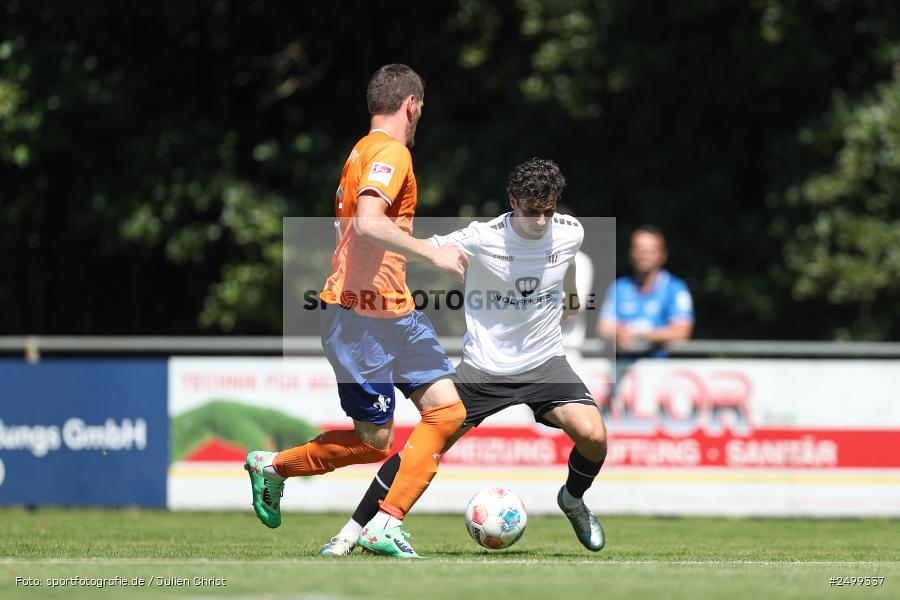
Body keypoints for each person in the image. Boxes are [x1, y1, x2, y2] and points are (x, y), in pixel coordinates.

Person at [320, 158, 608, 557]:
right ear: (513, 201)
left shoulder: (569, 231)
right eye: (531, 212)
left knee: (594, 436)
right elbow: (425, 249)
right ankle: (351, 532)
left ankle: (573, 500)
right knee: (421, 447)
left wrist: (572, 301)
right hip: (483, 369)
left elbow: (570, 262)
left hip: (545, 363)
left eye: (548, 211)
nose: (540, 222)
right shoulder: (482, 236)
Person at [245, 64, 469, 559]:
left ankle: (385, 523)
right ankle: (274, 466)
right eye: (421, 109)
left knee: (448, 412)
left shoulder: (360, 153)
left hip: (395, 311)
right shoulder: (391, 152)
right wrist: (431, 252)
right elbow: (367, 223)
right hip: (358, 315)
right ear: (411, 105)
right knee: (374, 442)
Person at [596, 226, 694, 387]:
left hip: (663, 379)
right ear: (631, 253)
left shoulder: (676, 288)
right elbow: (603, 326)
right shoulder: (619, 287)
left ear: (663, 255)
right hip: (623, 380)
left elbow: (682, 331)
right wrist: (618, 332)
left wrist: (640, 335)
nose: (643, 255)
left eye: (649, 250)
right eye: (638, 249)